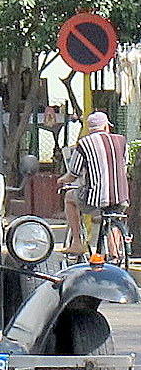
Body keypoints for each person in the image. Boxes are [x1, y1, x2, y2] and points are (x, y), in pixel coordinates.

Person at [57, 111, 129, 261]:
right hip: (121, 196)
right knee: (114, 213)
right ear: (106, 126)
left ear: (90, 128)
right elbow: (124, 164)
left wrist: (62, 180)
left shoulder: (84, 144)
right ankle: (115, 254)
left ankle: (77, 242)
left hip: (95, 199)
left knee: (70, 198)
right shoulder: (121, 141)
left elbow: (74, 173)